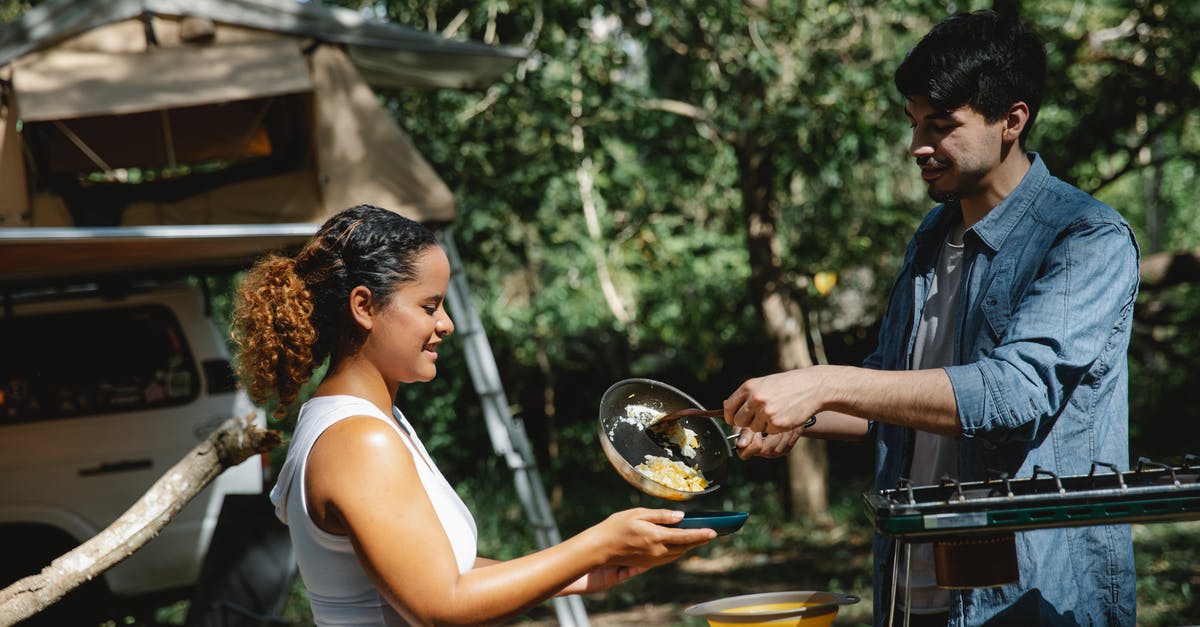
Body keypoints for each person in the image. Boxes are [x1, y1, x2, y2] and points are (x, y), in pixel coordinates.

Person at [721, 10, 1138, 627]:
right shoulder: (932, 236)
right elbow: (895, 394)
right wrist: (796, 412)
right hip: (914, 588)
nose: (918, 146)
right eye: (915, 124)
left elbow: (1014, 390)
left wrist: (825, 380)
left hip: (1033, 599)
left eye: (941, 127)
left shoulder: (1084, 239)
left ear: (1012, 122)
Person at [231, 204, 716, 626]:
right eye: (429, 306)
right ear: (364, 306)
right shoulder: (359, 440)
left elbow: (433, 573)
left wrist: (581, 573)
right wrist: (596, 543)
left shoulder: (364, 421)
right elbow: (440, 606)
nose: (447, 323)